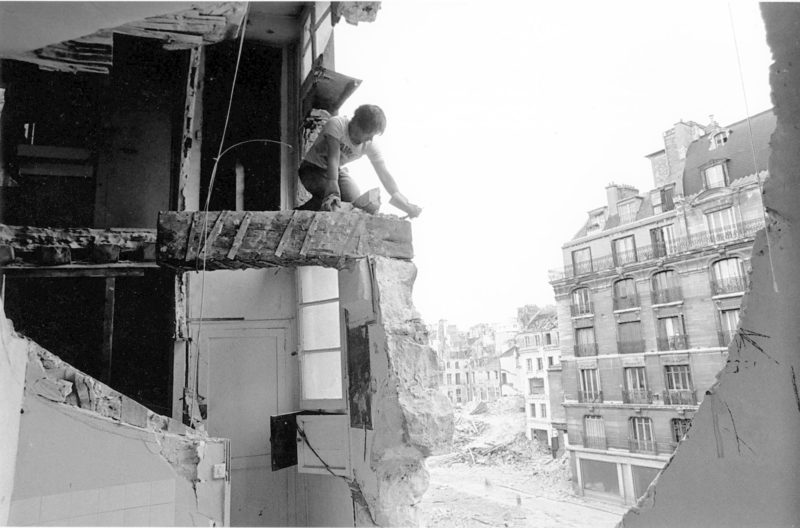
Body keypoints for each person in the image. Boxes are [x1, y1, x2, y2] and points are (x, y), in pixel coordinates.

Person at [297, 104, 422, 218]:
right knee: (330, 197)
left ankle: (303, 212)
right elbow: (333, 157)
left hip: (335, 171)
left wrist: (403, 202)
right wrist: (333, 191)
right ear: (357, 124)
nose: (371, 139)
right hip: (311, 168)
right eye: (369, 134)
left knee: (353, 198)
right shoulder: (337, 124)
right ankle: (295, 216)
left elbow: (384, 173)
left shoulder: (368, 144)